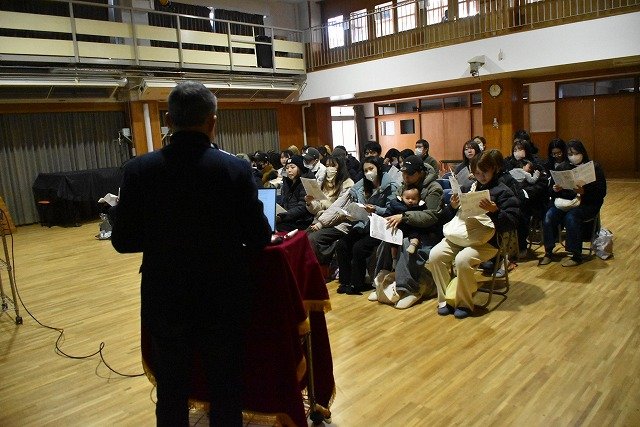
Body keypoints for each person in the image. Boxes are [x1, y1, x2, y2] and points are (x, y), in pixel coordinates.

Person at [109, 81, 271, 426]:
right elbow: (259, 237)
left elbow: (122, 241)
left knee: (171, 390)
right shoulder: (234, 169)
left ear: (168, 120)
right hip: (222, 295)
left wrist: (163, 238)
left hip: (165, 294)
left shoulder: (139, 170)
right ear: (212, 122)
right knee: (225, 387)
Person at [428, 151, 520, 319]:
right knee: (435, 256)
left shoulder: (503, 191)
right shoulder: (467, 188)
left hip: (488, 241)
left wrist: (495, 211)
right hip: (460, 235)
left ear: (493, 169)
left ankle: (464, 302)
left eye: (484, 172)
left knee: (462, 260)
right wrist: (452, 207)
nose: (481, 177)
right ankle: (446, 299)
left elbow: (512, 222)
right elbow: (446, 219)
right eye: (477, 173)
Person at [372, 155, 443, 309]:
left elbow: (431, 216)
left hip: (427, 233)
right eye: (404, 173)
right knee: (388, 238)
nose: (406, 177)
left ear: (421, 172)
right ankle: (381, 281)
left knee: (405, 244)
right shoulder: (404, 186)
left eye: (410, 174)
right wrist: (381, 213)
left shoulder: (434, 188)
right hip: (406, 227)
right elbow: (394, 205)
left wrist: (404, 217)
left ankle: (410, 289)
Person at [335, 156, 400, 295]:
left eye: (371, 168)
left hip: (381, 225)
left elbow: (392, 210)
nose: (368, 172)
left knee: (359, 247)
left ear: (378, 168)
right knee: (342, 244)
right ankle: (345, 282)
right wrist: (351, 214)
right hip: (363, 224)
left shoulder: (390, 186)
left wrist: (376, 209)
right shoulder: (362, 186)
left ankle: (357, 284)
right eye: (365, 170)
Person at [539, 139, 606, 267]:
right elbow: (551, 191)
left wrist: (584, 192)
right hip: (565, 202)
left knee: (572, 217)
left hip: (587, 204)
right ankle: (548, 252)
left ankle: (575, 255)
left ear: (582, 153)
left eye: (576, 153)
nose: (573, 156)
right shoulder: (563, 167)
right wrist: (555, 190)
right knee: (549, 216)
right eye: (570, 154)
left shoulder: (594, 168)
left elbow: (601, 192)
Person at [276, 155, 316, 231]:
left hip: (302, 220)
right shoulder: (287, 181)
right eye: (287, 168)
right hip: (289, 216)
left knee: (276, 227)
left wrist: (282, 216)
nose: (289, 170)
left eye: (292, 167)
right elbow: (284, 201)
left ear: (300, 168)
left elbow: (303, 207)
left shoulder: (306, 181)